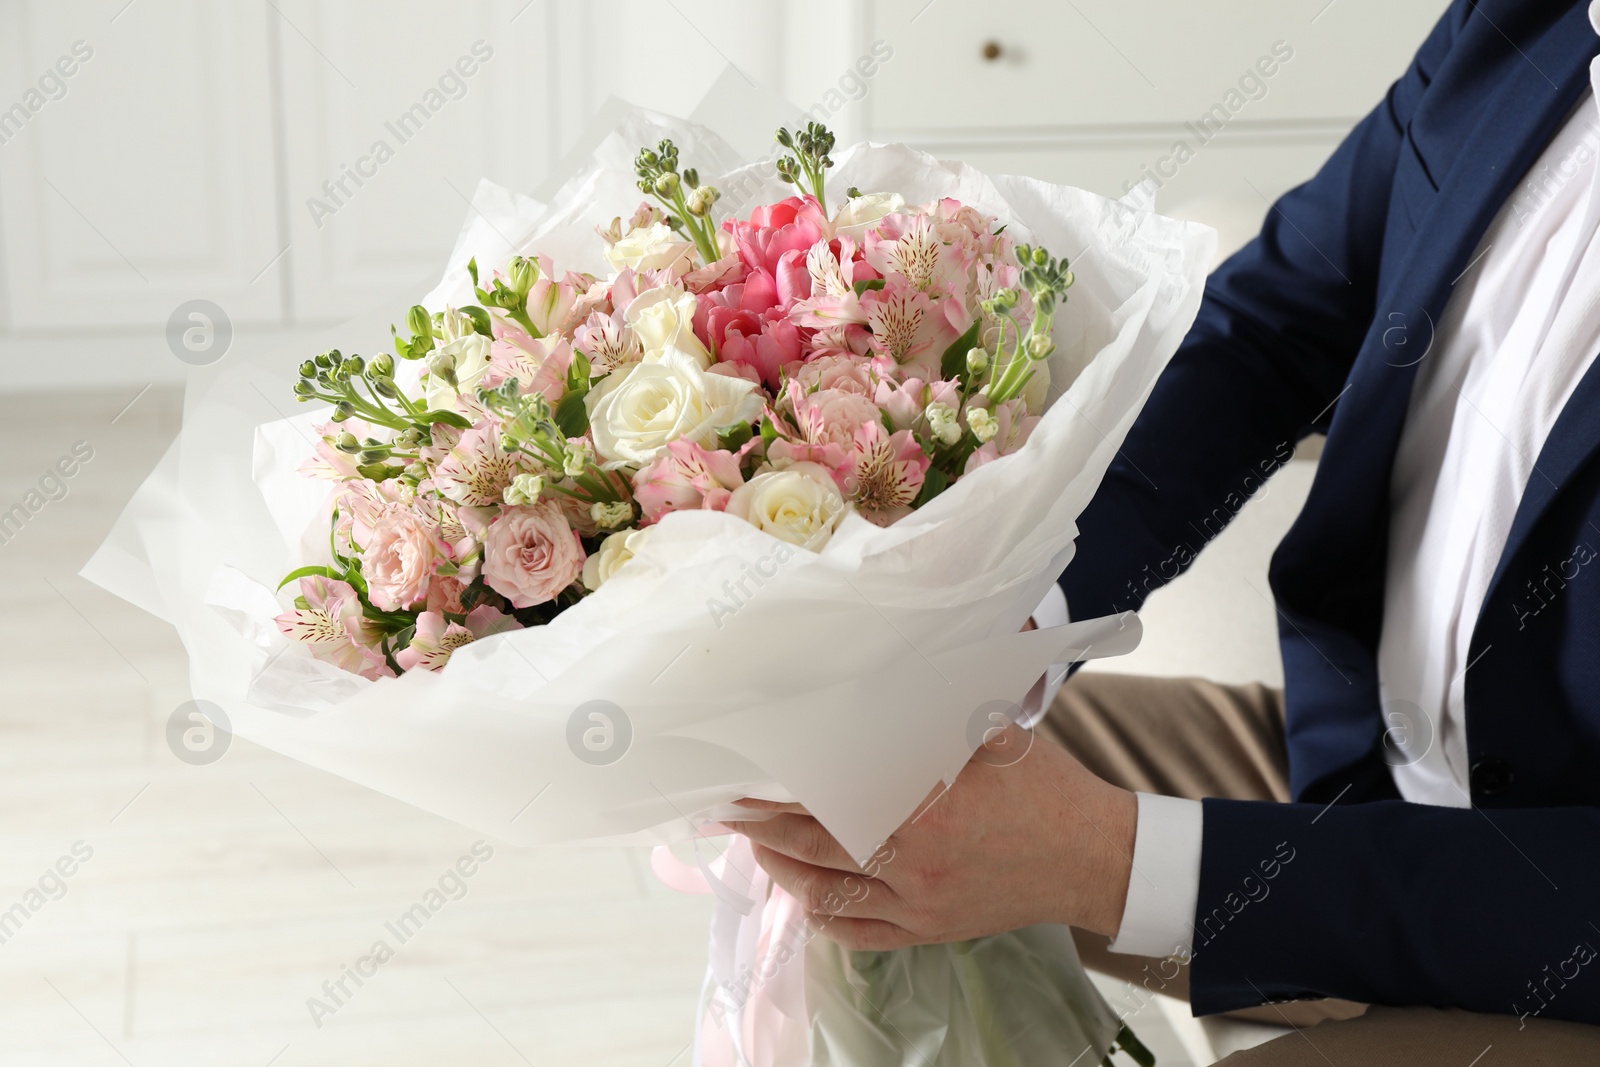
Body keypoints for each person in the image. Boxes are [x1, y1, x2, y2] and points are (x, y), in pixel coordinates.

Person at [728, 0, 1600, 1060]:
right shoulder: (1531, 22)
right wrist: (1018, 616)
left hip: (1551, 923)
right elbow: (1283, 319)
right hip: (1360, 761)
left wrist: (1107, 858)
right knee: (823, 790)